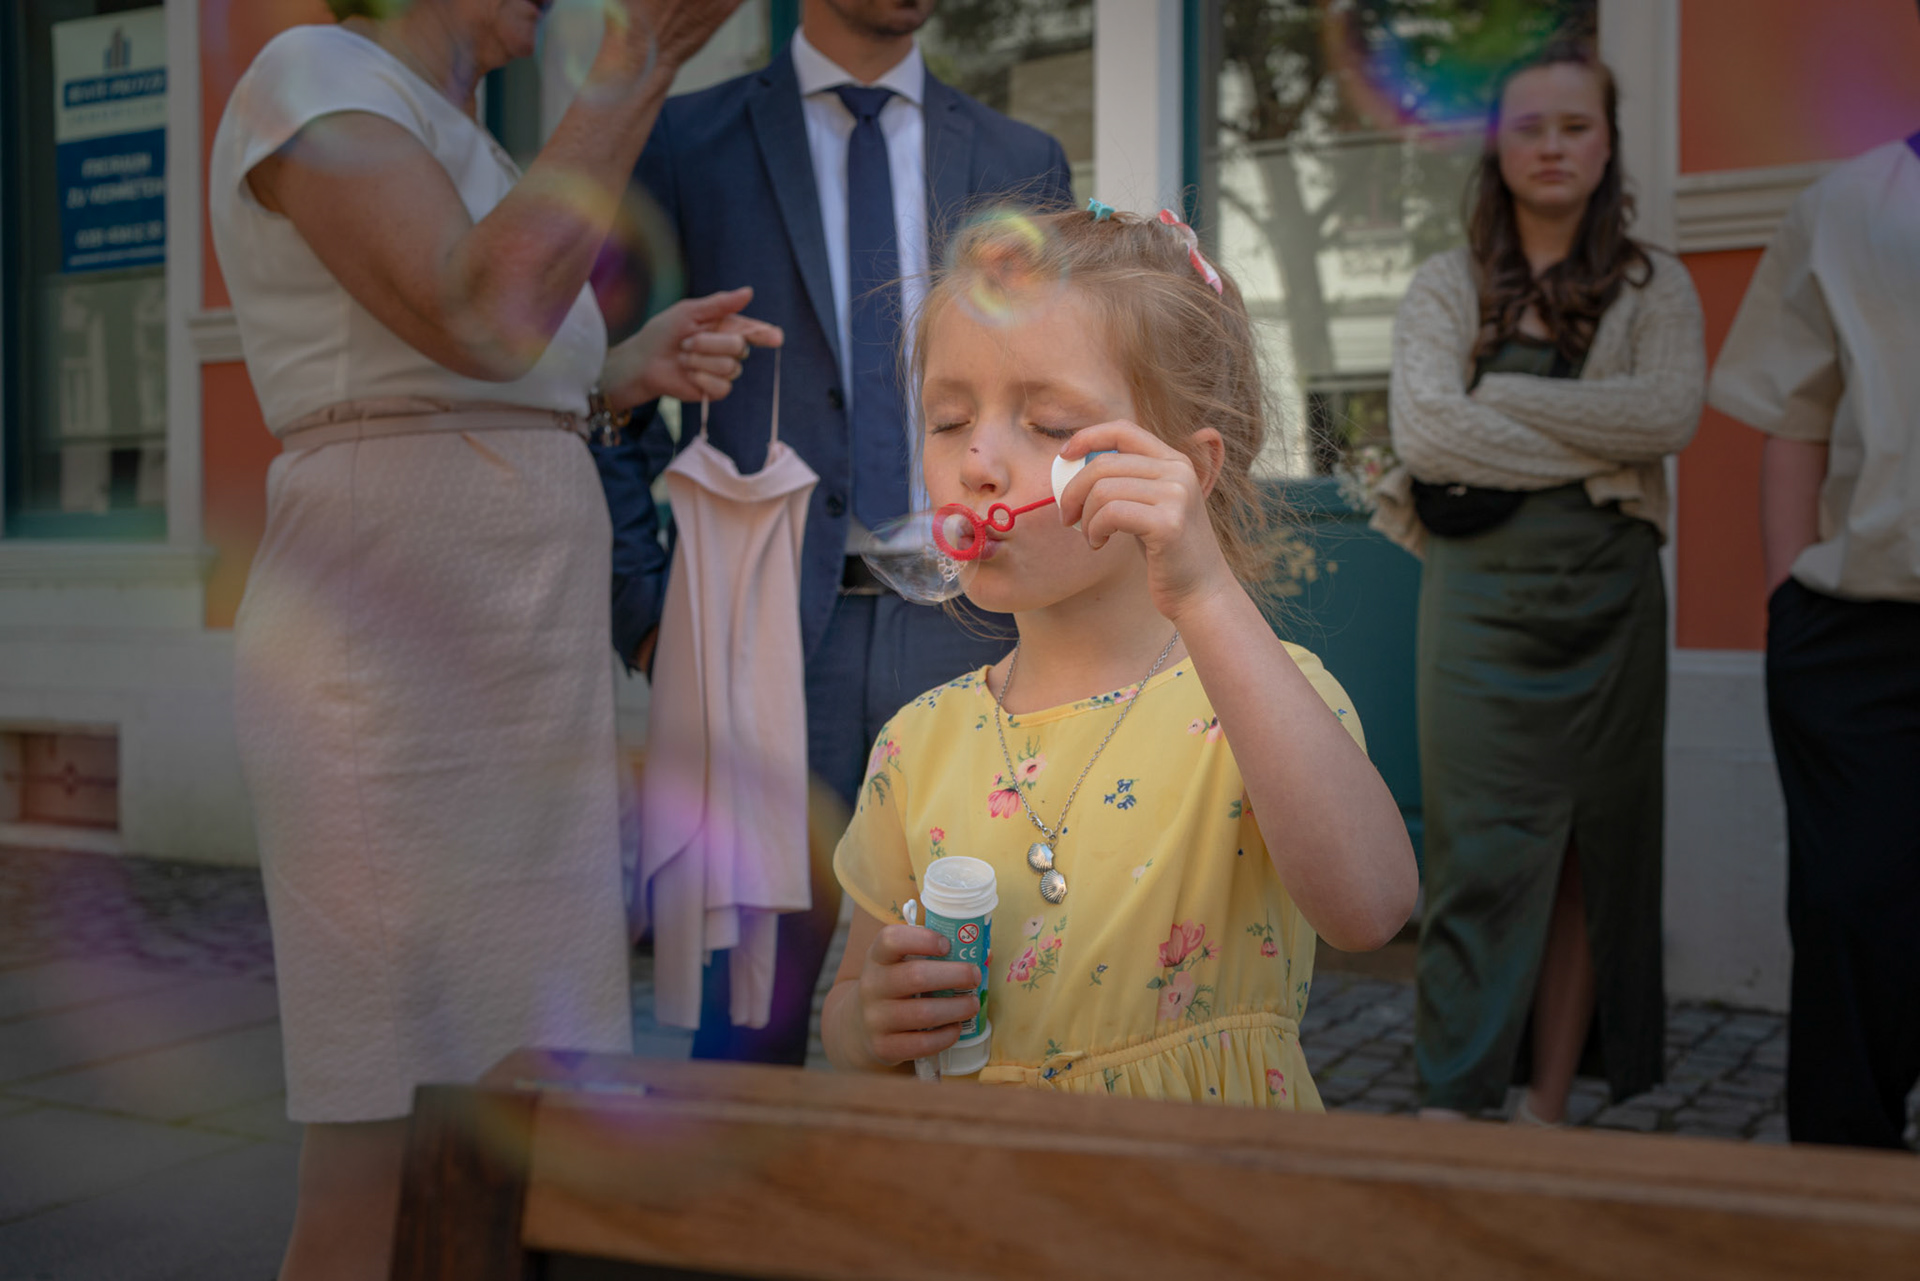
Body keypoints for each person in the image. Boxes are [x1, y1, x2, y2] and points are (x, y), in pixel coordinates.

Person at [207, 1, 772, 1276]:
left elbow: (491, 367)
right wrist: (639, 59)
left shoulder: (471, 134)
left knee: (505, 1112)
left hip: (521, 672)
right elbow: (479, 310)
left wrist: (624, 367)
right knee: (384, 1138)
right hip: (390, 666)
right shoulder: (311, 74)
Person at [819, 206, 1419, 1101]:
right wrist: (870, 1022)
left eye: (1049, 423)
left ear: (1189, 472)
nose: (977, 461)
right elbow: (846, 1013)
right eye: (947, 420)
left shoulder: (1261, 699)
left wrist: (1206, 593)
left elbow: (1370, 908)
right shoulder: (917, 744)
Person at [594, 0, 1073, 1066]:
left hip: (972, 628)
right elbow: (602, 388)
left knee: (975, 1002)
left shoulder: (1020, 159)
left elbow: (1055, 398)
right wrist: (649, 612)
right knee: (747, 1009)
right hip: (759, 640)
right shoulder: (685, 141)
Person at [1376, 41, 1704, 1124]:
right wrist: (1591, 436)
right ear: (1496, 146)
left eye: (1576, 126)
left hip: (1611, 609)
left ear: (1608, 145)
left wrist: (1501, 409)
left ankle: (1546, 1110)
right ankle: (1450, 1105)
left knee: (1588, 860)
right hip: (1477, 607)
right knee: (1475, 857)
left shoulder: (1657, 286)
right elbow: (1428, 436)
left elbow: (1667, 416)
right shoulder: (1446, 283)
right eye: (1530, 126)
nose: (1553, 146)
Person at [1707, 127, 1920, 1151]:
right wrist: (1788, 603)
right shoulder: (1844, 208)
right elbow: (1796, 415)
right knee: (1850, 922)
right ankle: (1843, 1189)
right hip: (1861, 629)